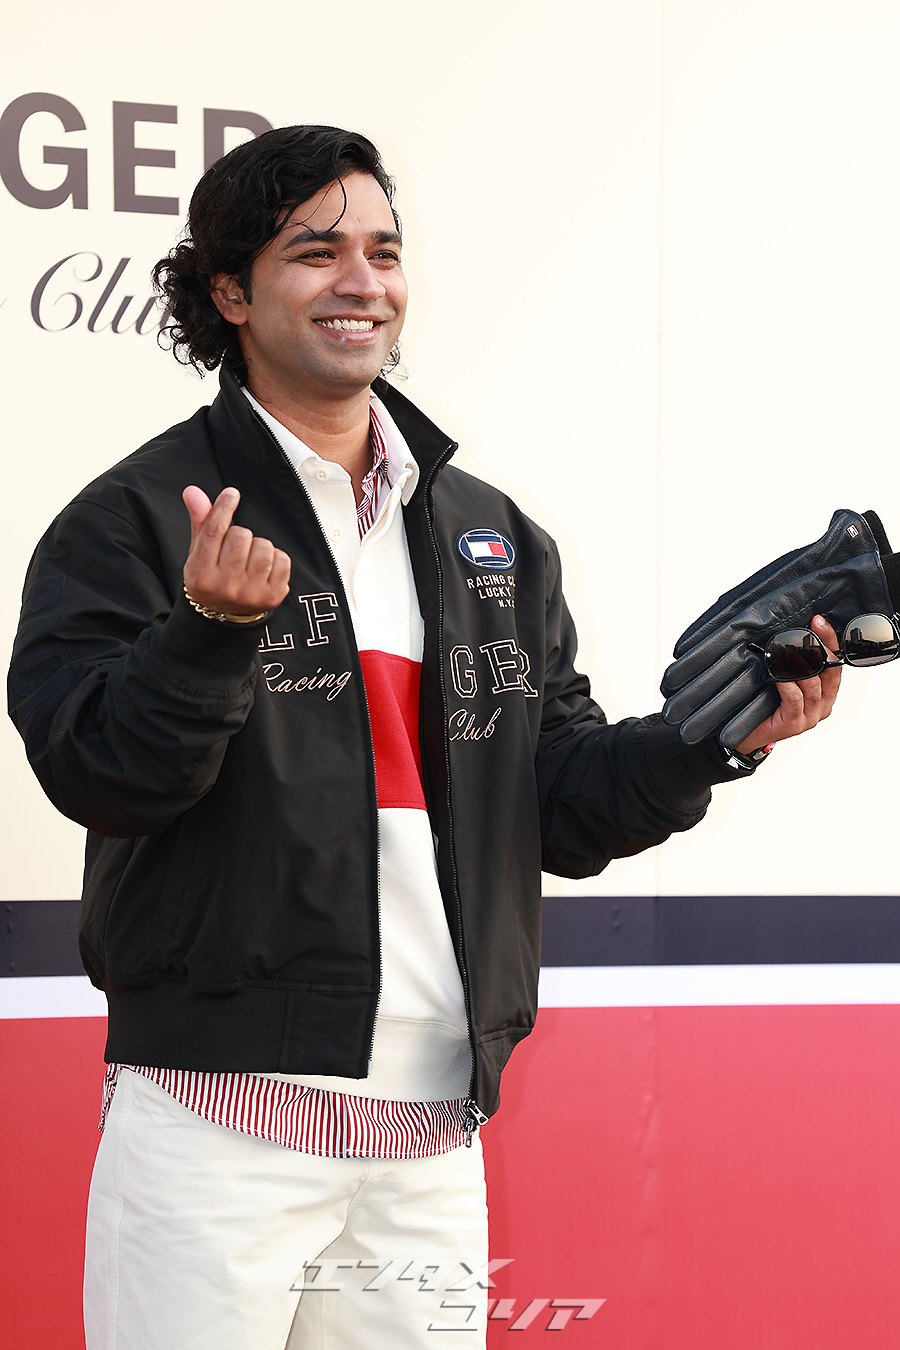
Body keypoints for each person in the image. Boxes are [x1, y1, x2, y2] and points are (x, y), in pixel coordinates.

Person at [6, 125, 841, 1350]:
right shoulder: (135, 515)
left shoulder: (487, 531)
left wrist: (713, 739)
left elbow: (558, 804)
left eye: (383, 251)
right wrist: (208, 631)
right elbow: (102, 773)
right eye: (315, 252)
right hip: (214, 1124)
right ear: (230, 292)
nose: (362, 280)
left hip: (432, 1131)